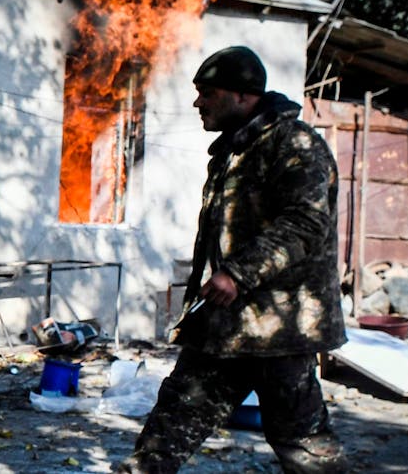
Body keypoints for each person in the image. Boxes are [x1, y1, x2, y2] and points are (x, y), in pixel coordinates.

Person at [117, 46, 348, 473]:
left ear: (243, 96)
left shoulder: (295, 144)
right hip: (226, 325)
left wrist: (238, 274)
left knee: (305, 447)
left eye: (207, 92)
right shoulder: (233, 151)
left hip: (279, 330)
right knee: (169, 427)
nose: (197, 102)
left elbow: (305, 223)